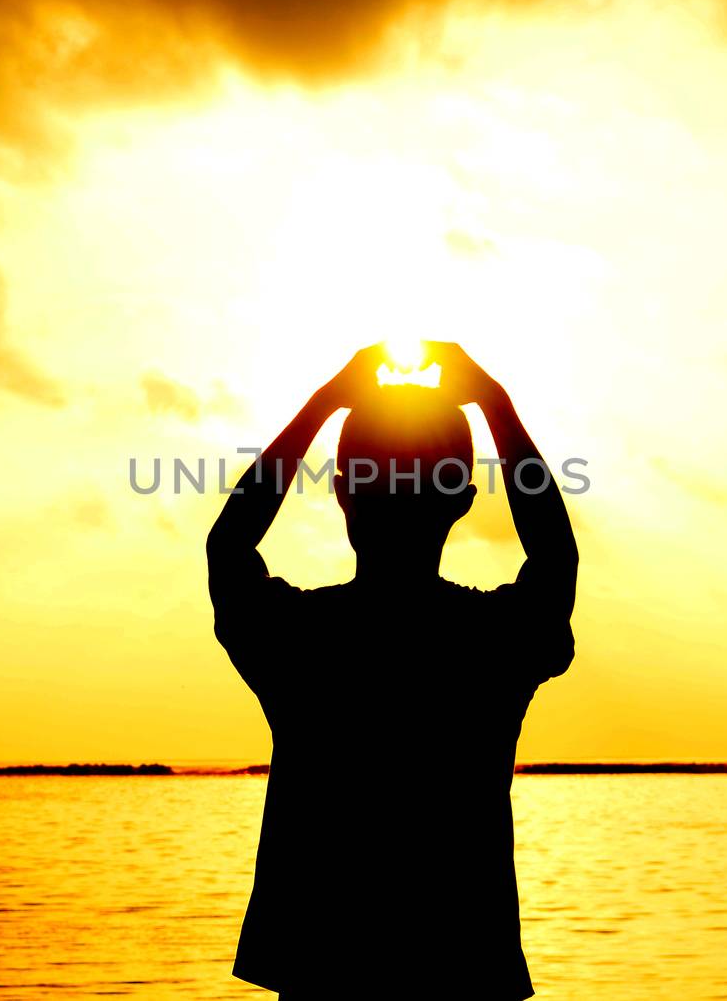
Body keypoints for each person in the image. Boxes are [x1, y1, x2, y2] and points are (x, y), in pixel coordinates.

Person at [207, 342, 578, 999]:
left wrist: (325, 402)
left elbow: (228, 544)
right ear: (462, 501)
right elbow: (555, 556)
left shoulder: (300, 641)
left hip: (322, 973)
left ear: (340, 490)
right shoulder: (491, 643)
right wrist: (494, 402)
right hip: (465, 970)